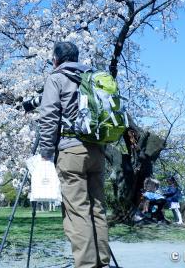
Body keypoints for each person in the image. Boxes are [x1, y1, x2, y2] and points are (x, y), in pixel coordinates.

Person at [39, 42, 110, 268]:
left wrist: (46, 153)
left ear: (55, 59)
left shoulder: (57, 78)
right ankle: (103, 264)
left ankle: (86, 265)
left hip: (71, 151)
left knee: (77, 213)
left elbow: (49, 116)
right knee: (97, 210)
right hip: (97, 151)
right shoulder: (93, 77)